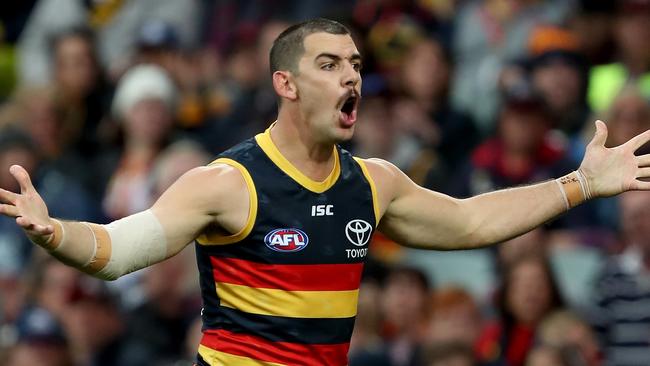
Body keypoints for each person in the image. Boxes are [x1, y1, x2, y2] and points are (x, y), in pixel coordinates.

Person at [1, 18, 650, 366]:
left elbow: (472, 222)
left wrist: (579, 184)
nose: (351, 79)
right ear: (286, 83)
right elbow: (119, 250)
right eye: (330, 64)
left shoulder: (373, 182)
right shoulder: (229, 182)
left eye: (357, 66)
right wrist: (52, 231)